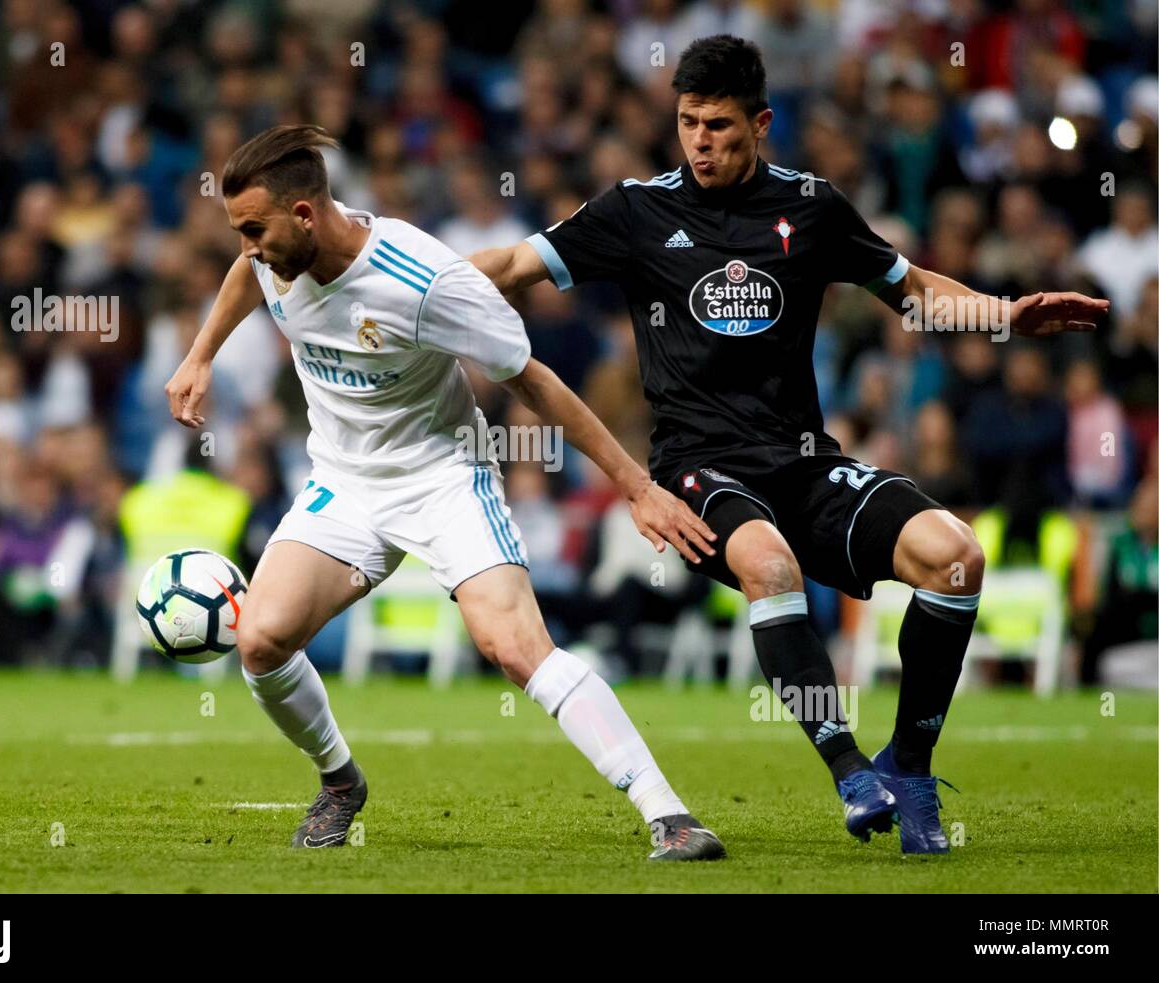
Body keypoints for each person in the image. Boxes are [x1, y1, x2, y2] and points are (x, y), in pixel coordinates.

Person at [470, 35, 1108, 855]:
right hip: (699, 469)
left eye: (721, 126)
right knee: (769, 566)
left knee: (955, 558)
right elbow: (515, 263)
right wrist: (405, 279)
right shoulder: (634, 211)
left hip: (804, 460)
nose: (700, 141)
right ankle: (847, 768)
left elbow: (912, 295)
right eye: (688, 123)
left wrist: (1006, 314)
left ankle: (907, 764)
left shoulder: (811, 207)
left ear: (761, 123)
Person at [164, 124, 725, 860]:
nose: (248, 249)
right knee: (261, 640)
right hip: (344, 481)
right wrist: (201, 354)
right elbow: (249, 276)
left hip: (442, 477)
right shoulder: (274, 258)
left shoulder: (422, 281)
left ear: (305, 215)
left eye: (254, 230)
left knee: (516, 647)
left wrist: (636, 487)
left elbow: (536, 382)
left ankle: (671, 815)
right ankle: (340, 782)